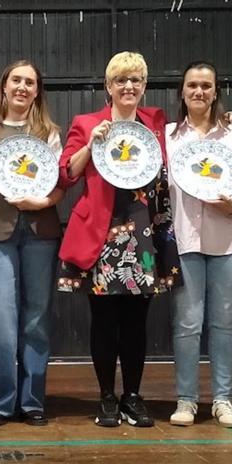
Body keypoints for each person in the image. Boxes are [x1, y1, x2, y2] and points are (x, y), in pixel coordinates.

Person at [55, 51, 180, 428]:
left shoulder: (156, 121)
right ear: (108, 86)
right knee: (104, 320)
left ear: (144, 86)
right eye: (121, 80)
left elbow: (191, 136)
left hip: (144, 230)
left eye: (136, 80)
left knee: (137, 321)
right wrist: (89, 144)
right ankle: (107, 396)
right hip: (102, 233)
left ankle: (134, 397)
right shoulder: (87, 122)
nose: (129, 87)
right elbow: (67, 174)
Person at [165, 61, 232, 429]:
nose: (199, 91)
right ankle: (186, 400)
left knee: (223, 323)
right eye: (192, 85)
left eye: (206, 85)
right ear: (182, 91)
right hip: (185, 238)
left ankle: (223, 400)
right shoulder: (168, 135)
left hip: (230, 238)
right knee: (187, 323)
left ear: (216, 91)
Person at [0, 60, 63, 427]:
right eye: (16, 81)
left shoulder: (49, 133)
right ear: (4, 87)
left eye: (30, 82)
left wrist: (45, 202)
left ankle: (33, 400)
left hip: (40, 230)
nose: (22, 87)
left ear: (37, 91)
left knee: (36, 319)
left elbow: (58, 186)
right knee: (1, 320)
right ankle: (1, 402)